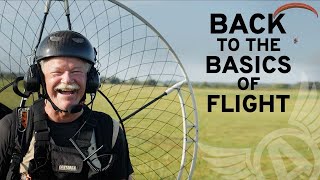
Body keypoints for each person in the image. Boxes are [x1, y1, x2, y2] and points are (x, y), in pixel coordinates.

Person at [0, 30, 133, 179]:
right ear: (39, 79)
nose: (67, 80)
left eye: (76, 71)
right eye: (57, 72)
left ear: (90, 80)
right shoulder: (13, 128)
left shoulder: (109, 131)